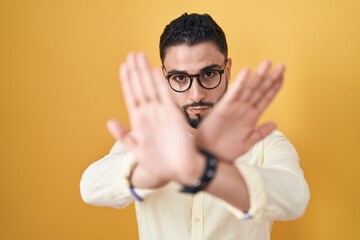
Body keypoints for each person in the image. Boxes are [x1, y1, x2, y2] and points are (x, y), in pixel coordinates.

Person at [80, 13, 310, 240]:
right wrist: (160, 167)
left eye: (209, 74)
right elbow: (91, 187)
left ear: (227, 70)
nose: (196, 94)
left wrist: (203, 170)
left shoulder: (267, 143)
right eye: (180, 78)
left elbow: (295, 198)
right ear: (164, 78)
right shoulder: (144, 143)